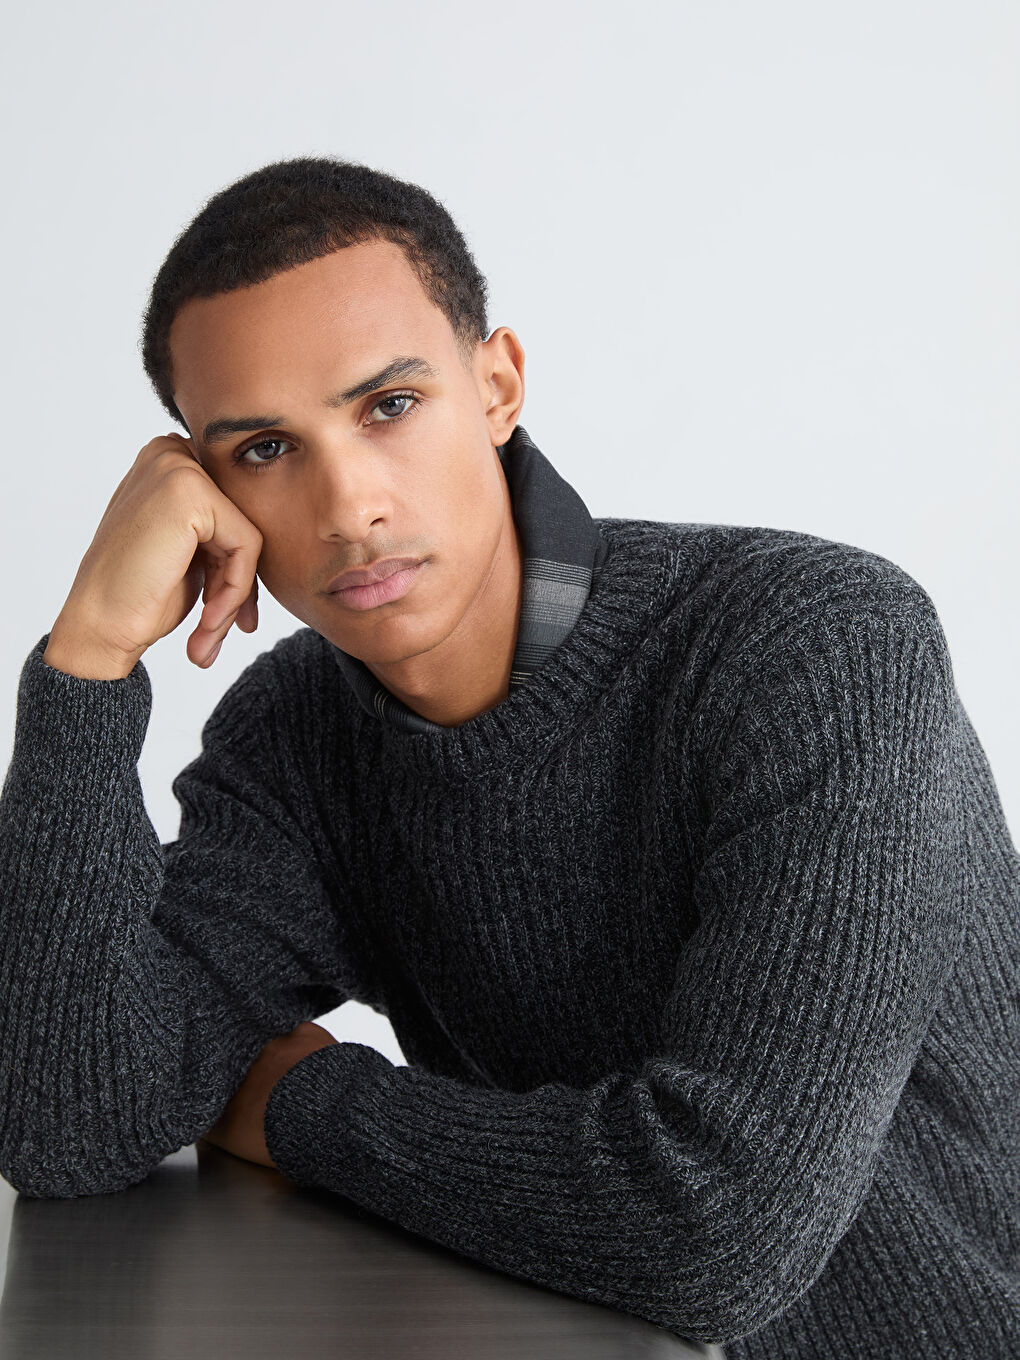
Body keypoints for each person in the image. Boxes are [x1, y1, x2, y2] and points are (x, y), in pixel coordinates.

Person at [0, 156, 1016, 1359]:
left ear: (497, 387)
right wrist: (88, 660)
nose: (348, 507)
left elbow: (717, 1234)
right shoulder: (298, 737)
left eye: (389, 405)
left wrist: (300, 1106)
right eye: (266, 448)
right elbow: (72, 1125)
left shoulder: (813, 647)